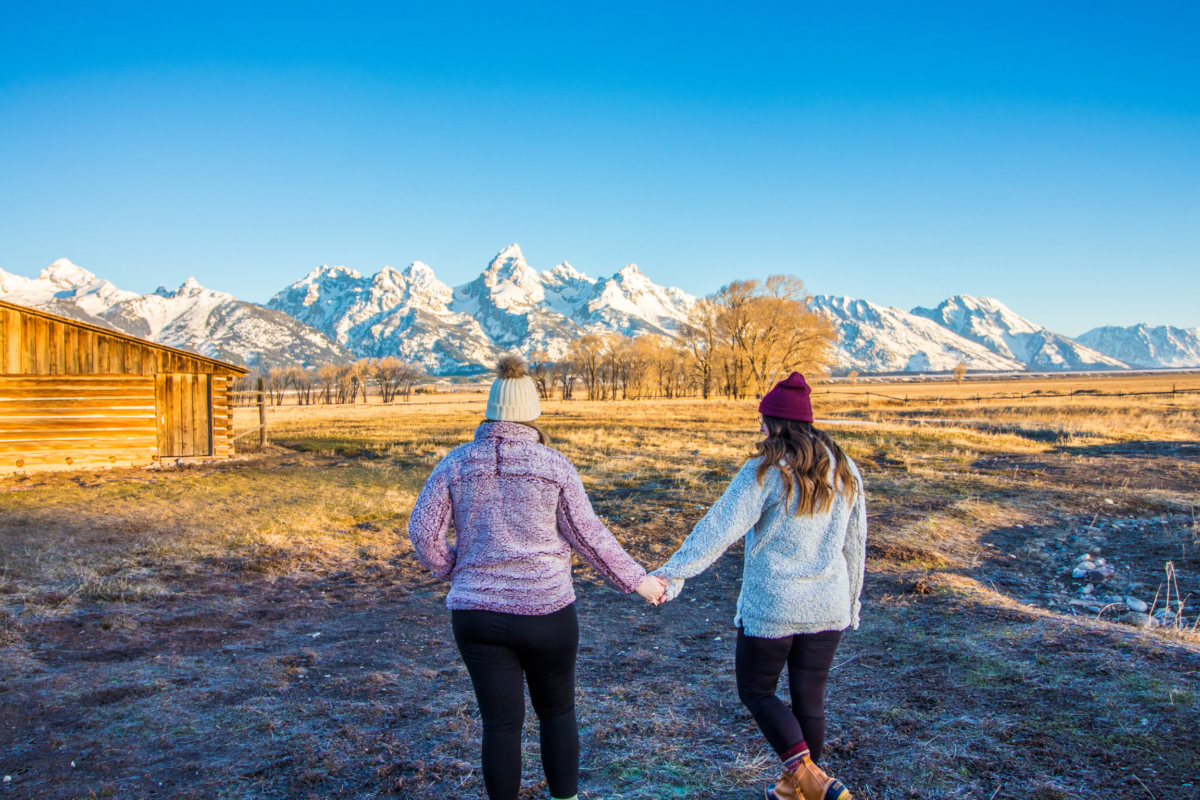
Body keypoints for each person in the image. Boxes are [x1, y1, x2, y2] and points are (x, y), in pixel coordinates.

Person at [407, 355, 666, 800]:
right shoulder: (554, 465)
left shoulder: (456, 463)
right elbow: (588, 535)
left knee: (501, 724)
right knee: (558, 712)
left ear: (489, 410)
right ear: (533, 412)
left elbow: (422, 530)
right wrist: (637, 581)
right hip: (547, 613)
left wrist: (451, 567)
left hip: (476, 616)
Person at [653, 372, 866, 800]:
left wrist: (673, 573)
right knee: (809, 699)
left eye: (763, 421)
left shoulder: (766, 470)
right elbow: (855, 543)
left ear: (775, 423)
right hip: (828, 605)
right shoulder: (845, 469)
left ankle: (812, 783)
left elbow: (718, 527)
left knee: (756, 690)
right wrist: (851, 602)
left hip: (773, 606)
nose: (760, 429)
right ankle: (797, 790)